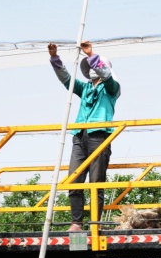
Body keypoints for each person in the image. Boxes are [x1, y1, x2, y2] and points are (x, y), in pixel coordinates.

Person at [48, 42, 121, 232]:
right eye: (90, 67)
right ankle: (76, 223)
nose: (92, 70)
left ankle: (95, 223)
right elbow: (66, 79)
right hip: (80, 137)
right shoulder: (85, 88)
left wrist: (92, 55)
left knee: (96, 183)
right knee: (74, 179)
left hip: (99, 136)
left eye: (95, 66)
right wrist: (55, 58)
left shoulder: (112, 88)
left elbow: (106, 76)